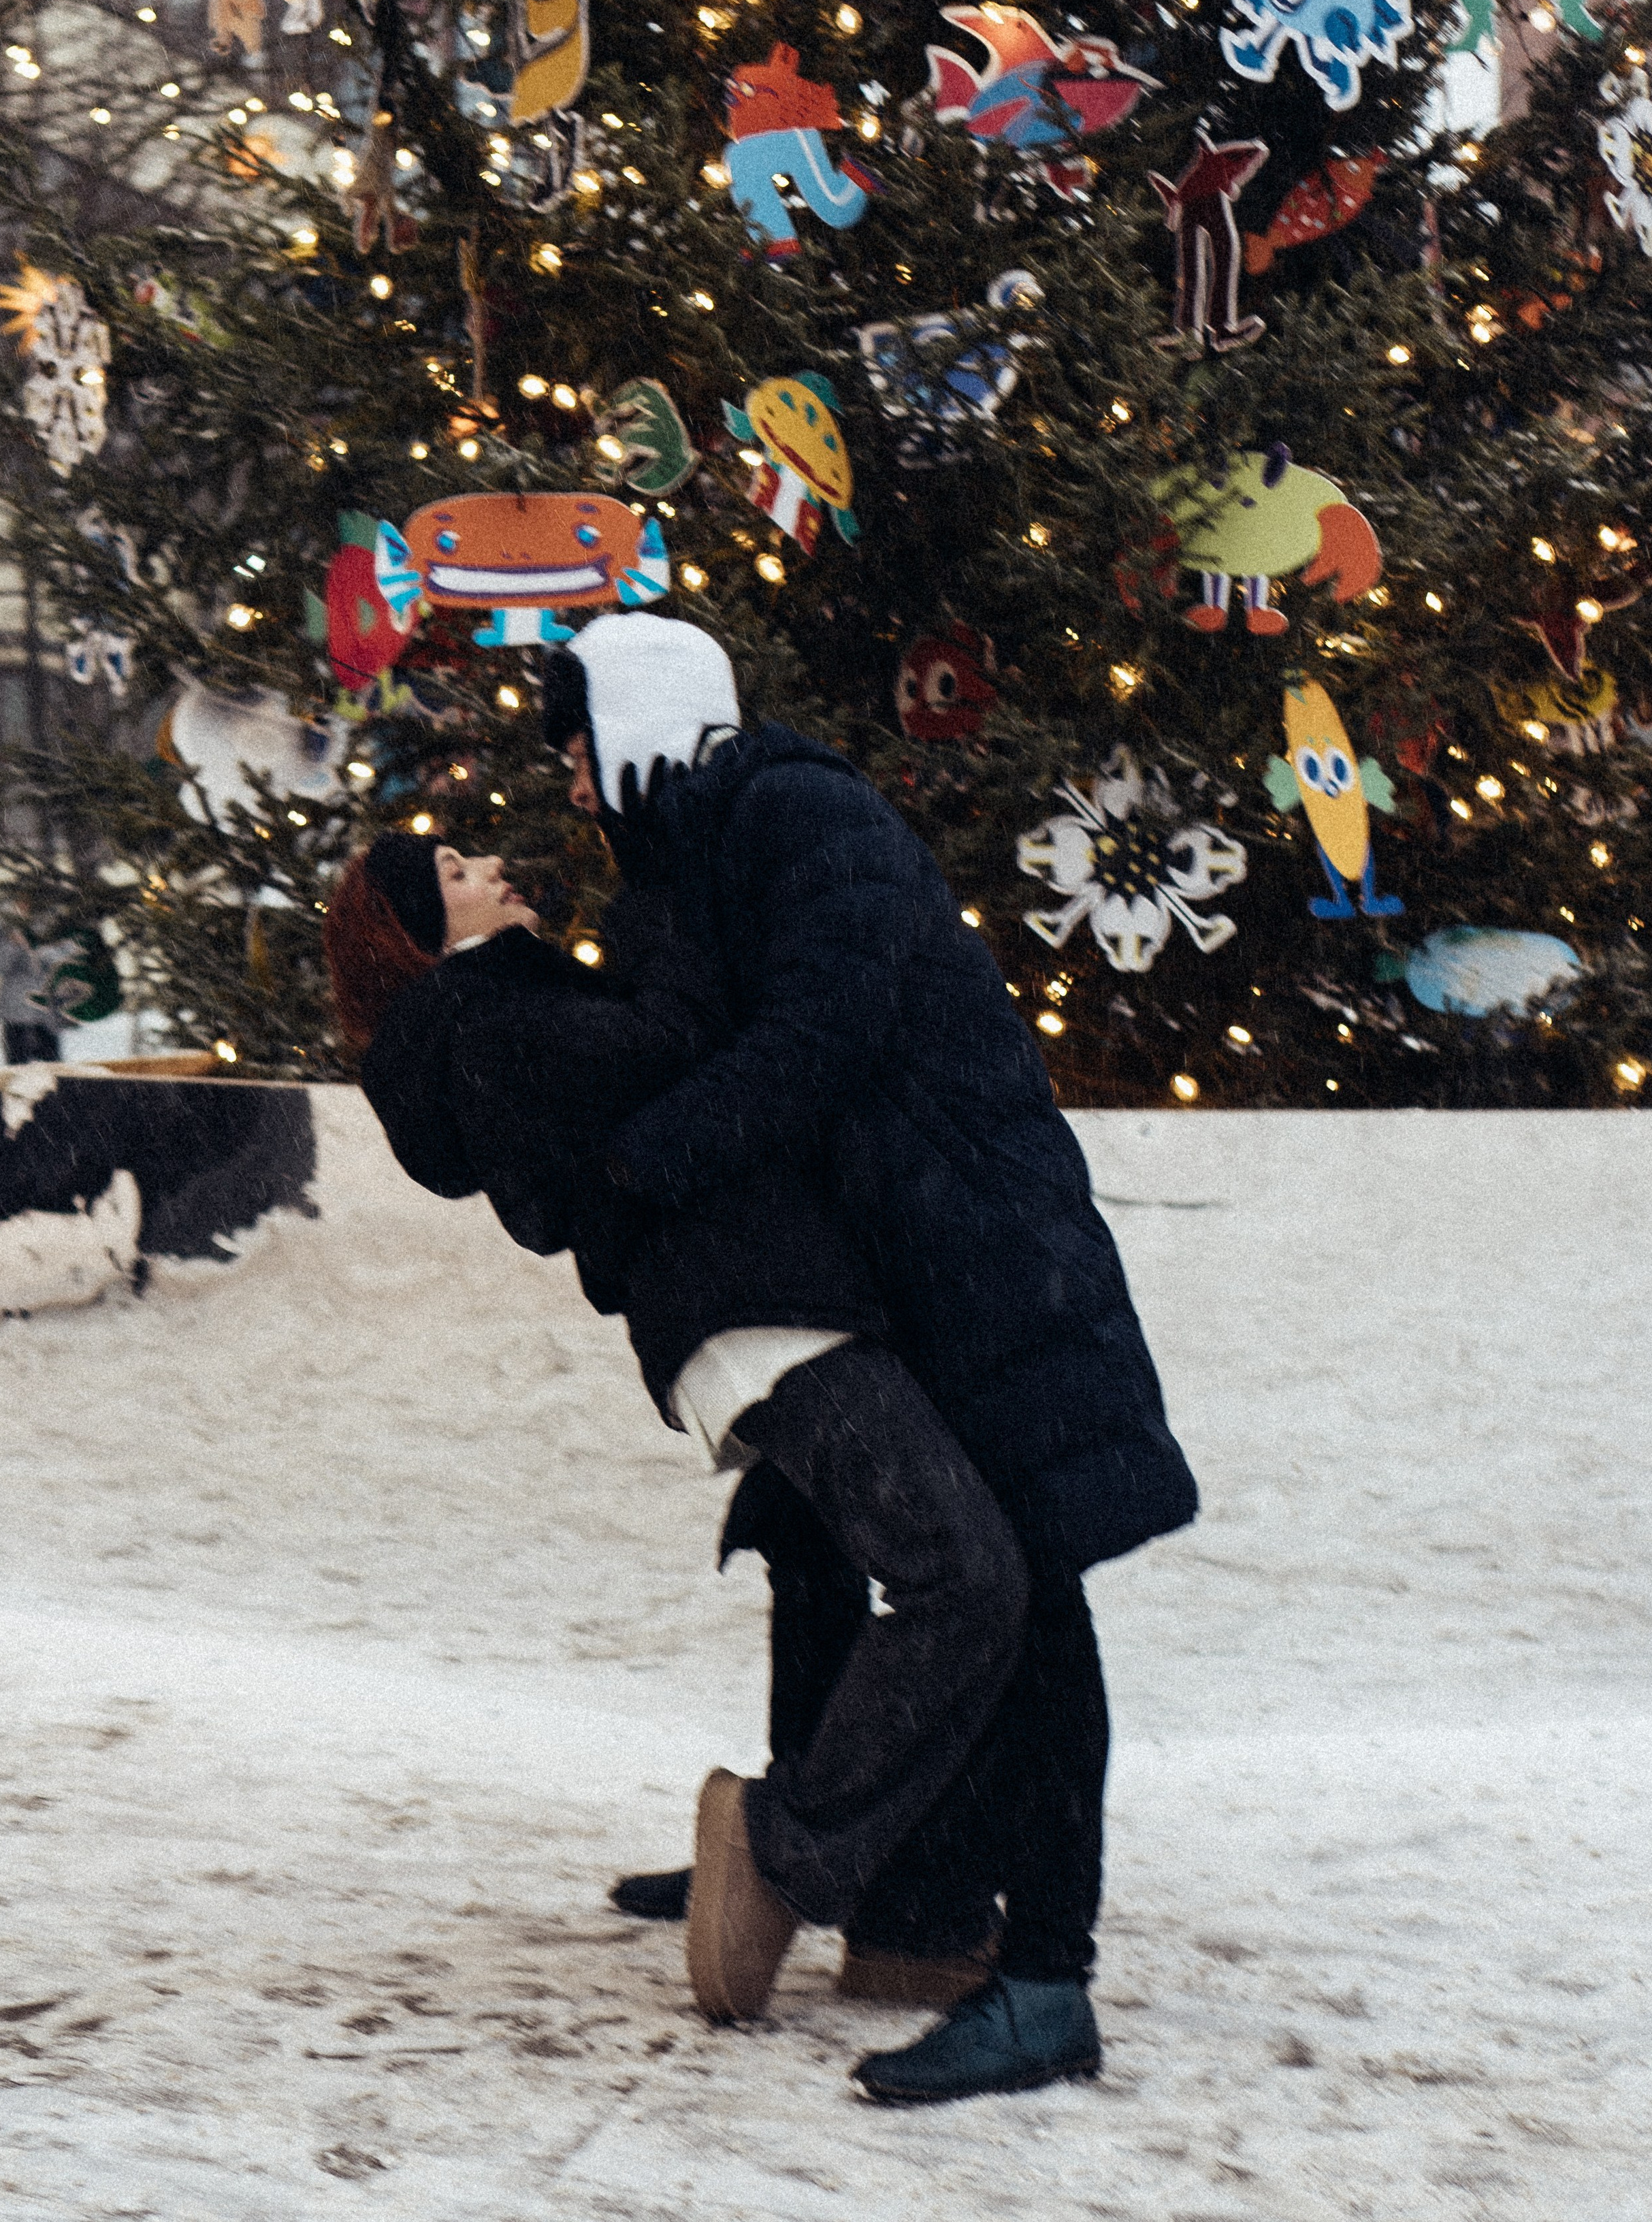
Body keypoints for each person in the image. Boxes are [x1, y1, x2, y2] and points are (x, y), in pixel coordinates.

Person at [541, 611, 1199, 2106]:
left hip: (977, 1245)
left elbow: (815, 1035)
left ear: (646, 718)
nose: (571, 780)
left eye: (580, 740)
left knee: (1023, 1597)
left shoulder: (794, 809)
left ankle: (1039, 1978)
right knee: (812, 1542)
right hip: (903, 1254)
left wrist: (640, 1166)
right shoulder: (709, 846)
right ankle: (828, 1874)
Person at [325, 832, 1021, 2032]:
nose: (489, 862)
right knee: (966, 1576)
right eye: (451, 872)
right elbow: (676, 1052)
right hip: (760, 1312)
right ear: (422, 934)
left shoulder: (507, 1010)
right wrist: (668, 911)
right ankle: (782, 1849)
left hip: (774, 1301)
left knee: (825, 1567)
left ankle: (910, 1920)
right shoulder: (490, 1025)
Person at [0, 904, 68, 1066]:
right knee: (16, 1073)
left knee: (51, 1073)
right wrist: (13, 943)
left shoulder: (57, 919)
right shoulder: (6, 924)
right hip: (15, 1013)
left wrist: (40, 946)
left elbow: (68, 954)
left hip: (47, 1013)